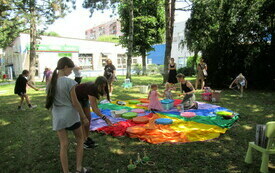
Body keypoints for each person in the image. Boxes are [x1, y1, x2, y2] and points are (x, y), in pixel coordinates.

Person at [45, 57, 91, 173]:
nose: (71, 72)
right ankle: (79, 168)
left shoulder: (50, 83)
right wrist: (84, 117)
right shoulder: (69, 82)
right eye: (71, 69)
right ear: (65, 67)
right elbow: (75, 102)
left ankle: (66, 171)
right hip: (71, 116)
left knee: (64, 144)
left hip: (58, 117)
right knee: (80, 139)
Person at [75, 76, 113, 149]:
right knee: (83, 119)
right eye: (102, 86)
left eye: (104, 86)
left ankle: (86, 137)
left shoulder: (95, 89)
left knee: (88, 117)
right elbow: (94, 108)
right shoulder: (92, 89)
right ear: (98, 84)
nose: (103, 88)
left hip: (84, 97)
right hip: (76, 98)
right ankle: (83, 141)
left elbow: (95, 107)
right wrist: (105, 119)